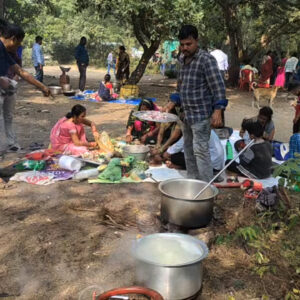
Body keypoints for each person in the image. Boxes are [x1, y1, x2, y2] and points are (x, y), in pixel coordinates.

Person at [177, 25, 227, 182]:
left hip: (201, 115)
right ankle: (192, 182)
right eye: (182, 44)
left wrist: (218, 110)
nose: (185, 48)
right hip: (187, 115)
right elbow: (181, 85)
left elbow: (218, 87)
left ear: (197, 41)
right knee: (188, 150)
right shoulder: (181, 60)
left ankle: (206, 187)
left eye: (188, 44)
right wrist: (175, 103)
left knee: (201, 151)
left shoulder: (206, 60)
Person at [0, 22, 51, 156]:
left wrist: (42, 87)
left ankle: (12, 144)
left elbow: (21, 72)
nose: (19, 47)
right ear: (13, 39)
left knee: (8, 115)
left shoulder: (5, 51)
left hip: (5, 86)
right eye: (18, 43)